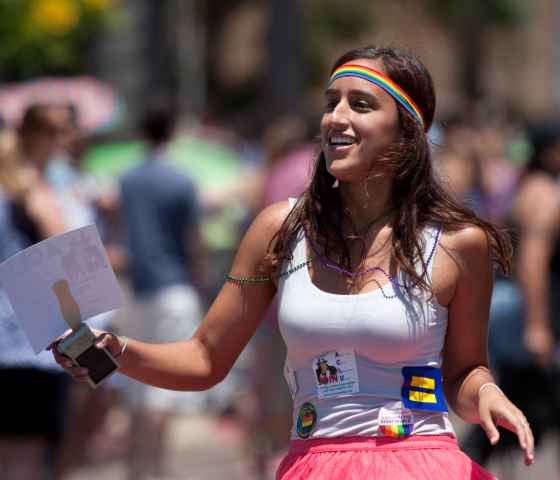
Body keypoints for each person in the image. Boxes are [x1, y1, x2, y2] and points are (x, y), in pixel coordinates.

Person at [51, 46, 535, 479]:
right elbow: (204, 358)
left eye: (360, 104)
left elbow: (465, 372)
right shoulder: (279, 229)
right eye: (331, 103)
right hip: (313, 464)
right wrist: (114, 351)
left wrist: (488, 395)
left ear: (407, 131)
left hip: (422, 462)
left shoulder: (457, 243)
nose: (335, 118)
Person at [114, 99, 208, 480]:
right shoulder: (182, 180)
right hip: (173, 288)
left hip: (134, 288)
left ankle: (135, 467)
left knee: (135, 383)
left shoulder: (126, 180)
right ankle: (153, 468)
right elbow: (194, 240)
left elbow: (119, 234)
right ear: (172, 132)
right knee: (163, 386)